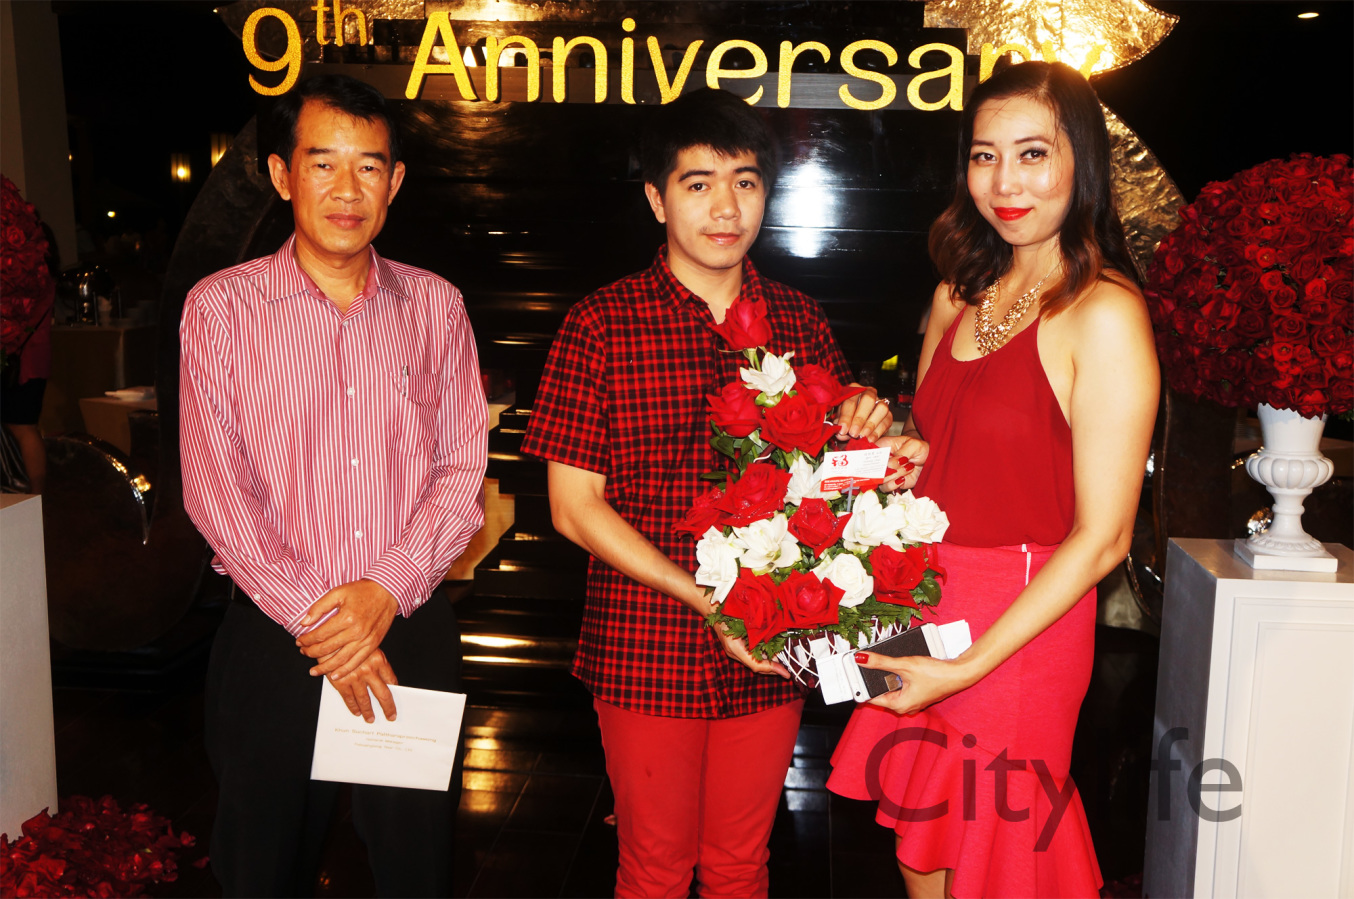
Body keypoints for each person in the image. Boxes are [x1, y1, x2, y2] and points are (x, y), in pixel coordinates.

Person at [521, 88, 893, 898]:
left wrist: (873, 430)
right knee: (654, 868)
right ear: (657, 198)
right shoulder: (600, 324)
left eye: (746, 182)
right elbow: (573, 508)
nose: (726, 207)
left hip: (770, 643)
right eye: (699, 183)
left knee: (740, 864)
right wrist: (708, 601)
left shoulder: (798, 319)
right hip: (645, 640)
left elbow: (836, 488)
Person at [826, 61, 1159, 899]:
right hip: (922, 594)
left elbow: (1105, 538)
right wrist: (889, 444)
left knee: (999, 858)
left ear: (1082, 162)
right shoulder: (959, 292)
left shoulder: (1104, 313)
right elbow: (935, 452)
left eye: (1033, 154)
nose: (1005, 182)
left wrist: (969, 665)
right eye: (985, 156)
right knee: (920, 843)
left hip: (1023, 622)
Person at [179, 74, 487, 897]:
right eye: (323, 164)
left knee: (416, 867)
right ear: (283, 175)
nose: (347, 190)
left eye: (369, 166)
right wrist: (329, 627)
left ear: (395, 181)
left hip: (407, 627)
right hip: (273, 637)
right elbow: (216, 490)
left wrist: (384, 590)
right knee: (261, 866)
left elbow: (462, 470)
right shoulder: (221, 309)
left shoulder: (436, 306)